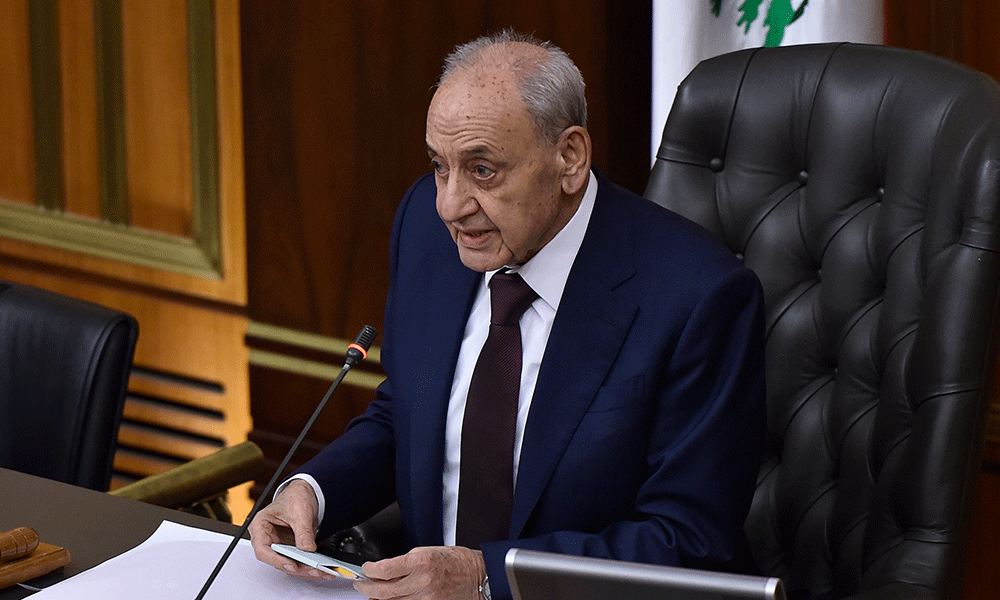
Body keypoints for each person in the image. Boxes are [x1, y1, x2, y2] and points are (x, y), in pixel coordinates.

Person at [249, 30, 766, 600]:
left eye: (482, 170)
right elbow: (407, 414)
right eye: (439, 166)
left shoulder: (698, 297)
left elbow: (688, 541)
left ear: (570, 158)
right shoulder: (425, 227)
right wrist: (314, 491)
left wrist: (484, 577)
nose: (450, 205)